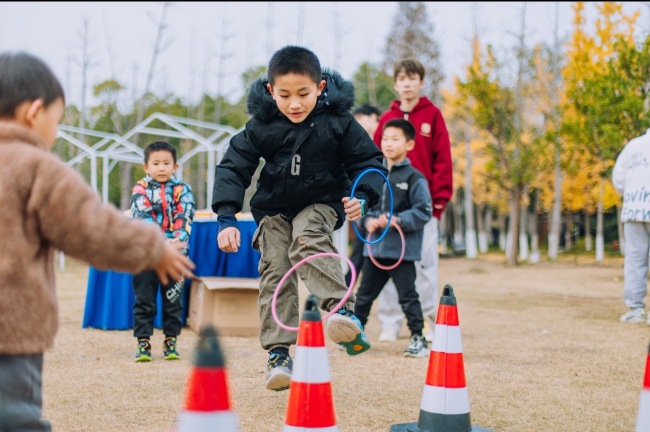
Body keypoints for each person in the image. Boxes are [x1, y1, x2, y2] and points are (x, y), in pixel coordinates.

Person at [0, 51, 195, 431]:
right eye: (56, 121)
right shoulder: (36, 167)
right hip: (10, 331)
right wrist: (154, 248)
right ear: (35, 112)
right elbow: (93, 229)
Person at [211, 45, 387, 392]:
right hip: (273, 210)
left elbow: (369, 163)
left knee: (307, 236)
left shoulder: (338, 122)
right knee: (275, 265)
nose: (294, 104)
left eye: (303, 94)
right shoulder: (261, 126)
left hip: (322, 201)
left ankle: (342, 311)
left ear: (320, 87)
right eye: (285, 95)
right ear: (270, 91)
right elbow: (233, 166)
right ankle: (278, 354)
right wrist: (227, 216)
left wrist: (363, 197)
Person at [372, 59, 453, 342]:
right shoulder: (386, 119)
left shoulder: (433, 116)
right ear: (395, 84)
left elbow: (443, 159)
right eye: (402, 78)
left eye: (412, 78)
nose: (407, 83)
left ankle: (428, 320)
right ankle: (390, 323)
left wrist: (439, 201)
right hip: (389, 207)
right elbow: (373, 159)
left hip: (422, 208)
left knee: (427, 265)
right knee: (388, 262)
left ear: (421, 82)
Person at [353, 118, 432, 358]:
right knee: (364, 296)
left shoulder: (414, 177)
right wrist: (367, 220)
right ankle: (354, 337)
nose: (388, 143)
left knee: (408, 297)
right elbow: (361, 208)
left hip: (402, 253)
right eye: (385, 138)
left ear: (409, 144)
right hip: (374, 252)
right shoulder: (373, 174)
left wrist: (397, 220)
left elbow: (423, 211)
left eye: (395, 139)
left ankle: (418, 338)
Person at [131, 141, 196, 361]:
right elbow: (143, 218)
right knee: (144, 300)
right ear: (146, 167)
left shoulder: (182, 190)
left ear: (175, 166)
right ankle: (143, 343)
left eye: (166, 163)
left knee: (173, 299)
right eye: (156, 163)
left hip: (176, 255)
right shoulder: (139, 189)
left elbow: (185, 216)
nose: (161, 168)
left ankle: (171, 342)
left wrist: (176, 241)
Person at [612, 128, 650, 324]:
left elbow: (618, 179)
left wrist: (631, 194)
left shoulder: (633, 146)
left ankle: (635, 309)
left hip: (634, 209)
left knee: (635, 260)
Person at [345, 103, 381, 286]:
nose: (357, 123)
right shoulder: (357, 142)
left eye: (361, 118)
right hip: (364, 205)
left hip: (384, 207)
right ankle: (345, 292)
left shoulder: (385, 142)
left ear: (374, 116)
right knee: (358, 253)